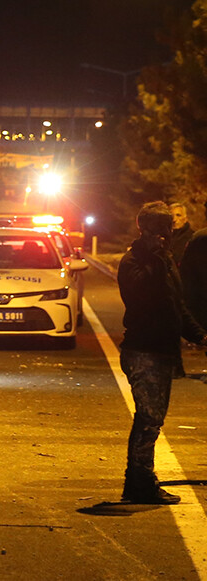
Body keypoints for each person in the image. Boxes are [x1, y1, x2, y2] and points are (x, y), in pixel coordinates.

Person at [117, 201, 207, 505]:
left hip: (163, 351)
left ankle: (142, 479)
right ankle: (139, 483)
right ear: (146, 230)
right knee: (148, 418)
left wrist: (200, 336)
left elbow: (176, 306)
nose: (168, 234)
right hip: (143, 350)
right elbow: (143, 298)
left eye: (170, 228)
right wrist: (155, 257)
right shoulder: (133, 263)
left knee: (153, 419)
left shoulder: (166, 260)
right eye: (162, 229)